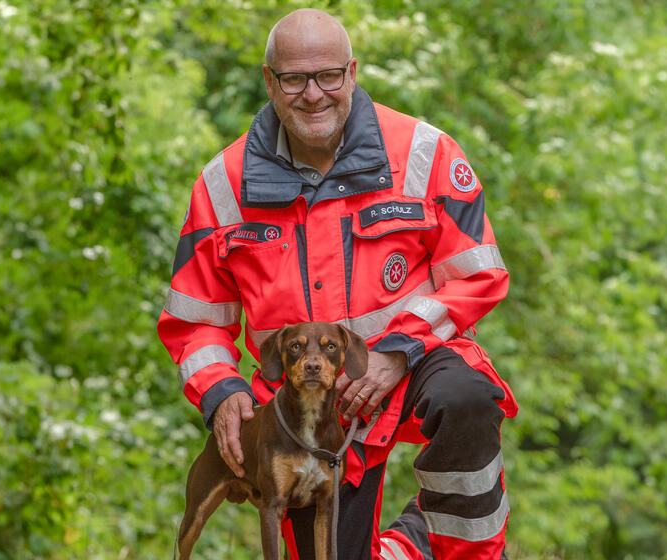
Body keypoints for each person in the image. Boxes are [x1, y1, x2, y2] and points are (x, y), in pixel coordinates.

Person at [157, 8, 517, 559]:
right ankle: (408, 547)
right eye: (294, 79)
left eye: (328, 76)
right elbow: (196, 319)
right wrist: (222, 392)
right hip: (303, 403)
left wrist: (398, 350)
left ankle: (465, 553)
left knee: (464, 396)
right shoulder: (222, 185)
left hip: (416, 361)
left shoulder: (424, 153)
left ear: (351, 73)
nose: (313, 94)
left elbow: (478, 275)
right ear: (269, 82)